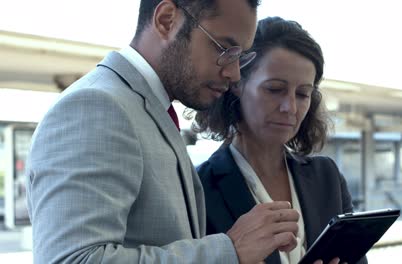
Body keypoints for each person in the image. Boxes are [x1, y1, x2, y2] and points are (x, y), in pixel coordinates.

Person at [26, 1, 301, 263]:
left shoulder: (144, 109)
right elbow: (73, 259)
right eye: (223, 49)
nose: (234, 73)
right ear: (166, 20)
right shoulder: (95, 106)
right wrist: (229, 251)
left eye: (239, 57)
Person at [195, 17, 368, 264]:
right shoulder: (200, 187)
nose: (290, 107)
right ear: (237, 84)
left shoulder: (326, 176)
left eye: (302, 94)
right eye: (275, 89)